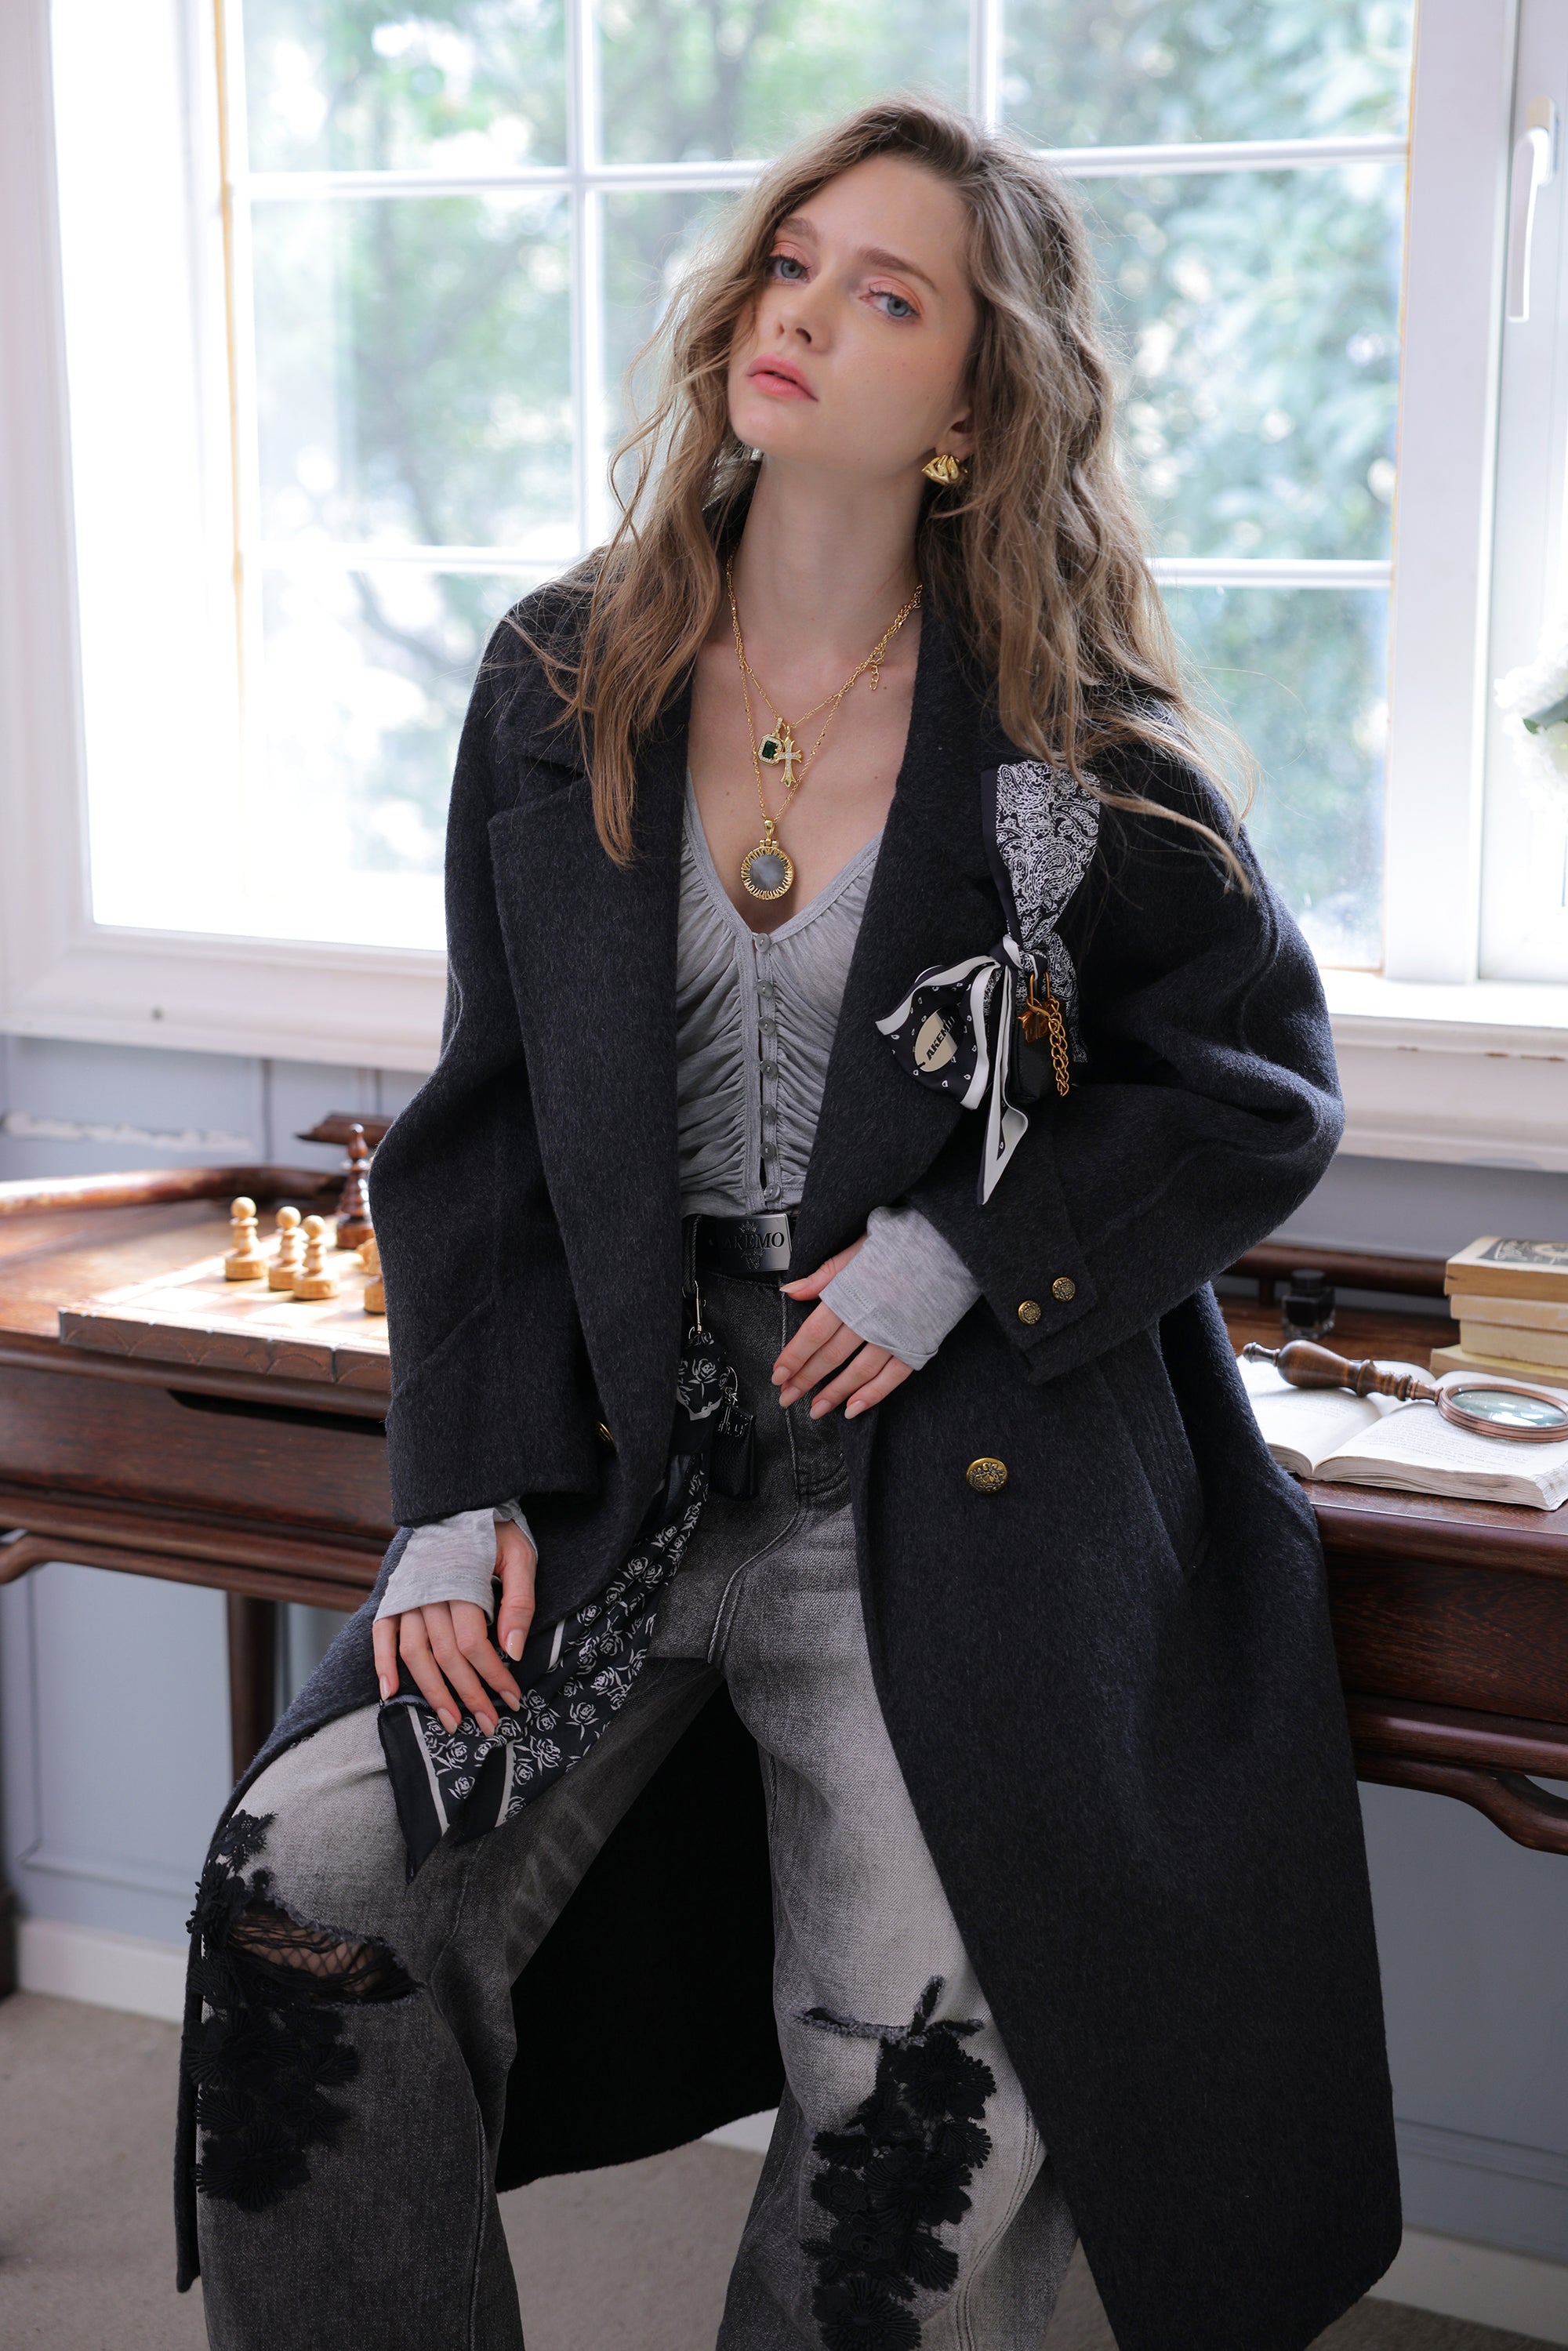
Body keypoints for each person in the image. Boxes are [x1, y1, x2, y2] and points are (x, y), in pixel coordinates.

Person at [175, 95, 1400, 2351]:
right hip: (621, 1454)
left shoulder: (1075, 750)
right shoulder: (565, 681)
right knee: (304, 1882)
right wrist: (456, 1491)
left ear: (973, 412)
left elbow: (1253, 1083)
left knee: (906, 2071)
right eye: (790, 262)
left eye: (887, 294)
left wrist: (967, 1259)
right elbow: (482, 1115)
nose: (804, 314)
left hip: (955, 1473)